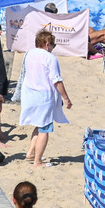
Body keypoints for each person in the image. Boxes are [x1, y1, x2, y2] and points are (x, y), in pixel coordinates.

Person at [18, 29, 72, 168]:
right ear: (47, 44)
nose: (53, 48)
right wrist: (66, 98)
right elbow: (56, 80)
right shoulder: (50, 57)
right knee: (45, 127)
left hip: (29, 93)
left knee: (39, 123)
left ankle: (30, 153)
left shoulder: (29, 53)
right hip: (43, 96)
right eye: (53, 45)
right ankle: (37, 161)